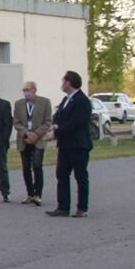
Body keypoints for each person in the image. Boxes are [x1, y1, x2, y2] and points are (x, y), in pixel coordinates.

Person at [46, 70, 94, 218]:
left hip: (78, 144)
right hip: (65, 145)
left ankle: (82, 208)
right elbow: (59, 116)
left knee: (80, 176)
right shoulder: (66, 99)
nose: (62, 84)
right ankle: (63, 207)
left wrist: (56, 133)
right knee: (61, 175)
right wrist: (54, 125)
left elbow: (75, 123)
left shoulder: (82, 101)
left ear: (69, 82)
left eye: (63, 81)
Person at [13, 81, 53, 206]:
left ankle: (38, 194)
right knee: (26, 167)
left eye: (28, 90)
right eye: (24, 90)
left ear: (34, 90)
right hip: (24, 139)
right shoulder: (19, 104)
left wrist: (36, 134)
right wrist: (26, 133)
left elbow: (47, 122)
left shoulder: (45, 102)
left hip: (38, 139)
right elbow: (16, 122)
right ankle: (30, 193)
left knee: (37, 164)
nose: (26, 92)